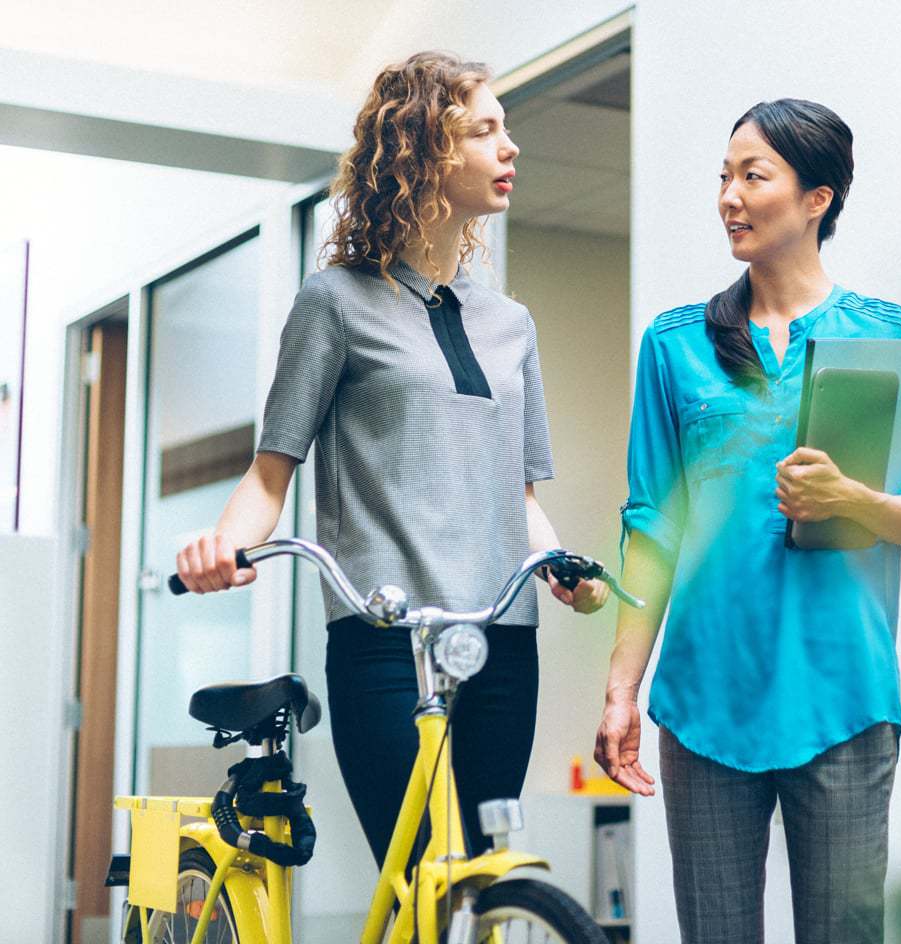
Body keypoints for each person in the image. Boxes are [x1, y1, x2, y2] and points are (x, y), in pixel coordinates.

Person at [176, 50, 608, 866]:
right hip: (387, 637)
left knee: (483, 876)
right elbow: (272, 473)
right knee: (415, 877)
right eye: (485, 131)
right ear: (423, 151)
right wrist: (221, 550)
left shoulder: (513, 322)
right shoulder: (334, 302)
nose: (510, 148)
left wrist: (560, 565)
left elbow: (518, 494)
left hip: (502, 640)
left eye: (506, 131)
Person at [594, 99, 901, 943]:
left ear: (816, 199)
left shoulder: (889, 338)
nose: (729, 195)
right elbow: (651, 529)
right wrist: (623, 690)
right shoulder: (675, 344)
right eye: (723, 176)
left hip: (842, 697)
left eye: (753, 176)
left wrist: (855, 502)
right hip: (704, 699)